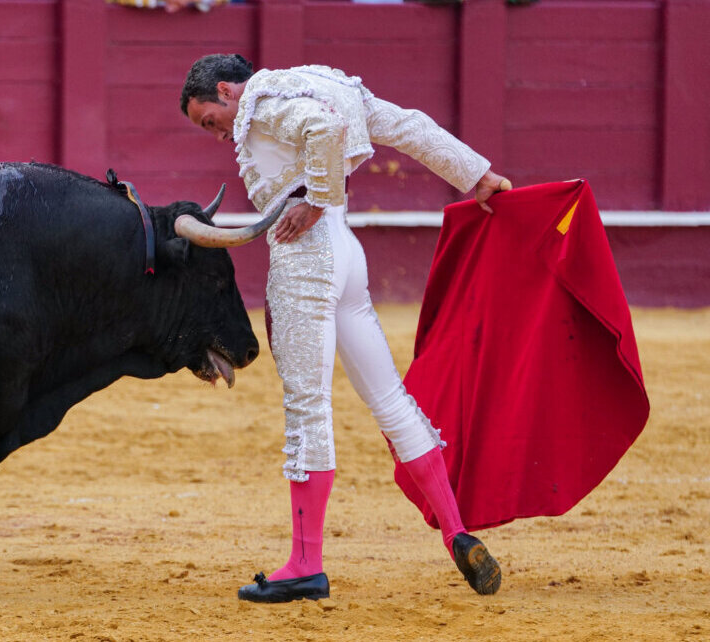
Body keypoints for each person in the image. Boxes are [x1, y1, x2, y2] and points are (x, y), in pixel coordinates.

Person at [177, 54, 508, 603]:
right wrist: (476, 174)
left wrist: (315, 200)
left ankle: (305, 563)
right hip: (347, 256)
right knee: (392, 400)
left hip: (307, 257)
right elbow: (409, 126)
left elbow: (324, 130)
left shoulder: (260, 104)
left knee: (308, 406)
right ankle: (457, 531)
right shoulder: (328, 83)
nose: (217, 134)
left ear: (226, 90)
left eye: (209, 120)